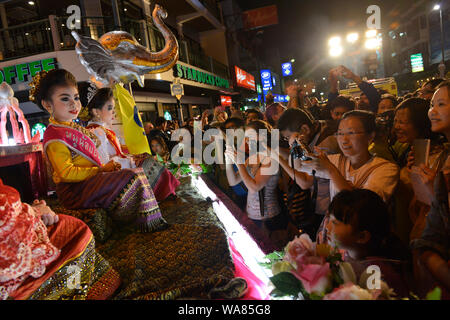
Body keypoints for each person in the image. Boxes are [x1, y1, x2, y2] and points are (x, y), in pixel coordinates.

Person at [32, 69, 167, 233]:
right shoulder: (54, 135)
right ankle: (143, 222)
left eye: (75, 97)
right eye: (65, 99)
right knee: (132, 176)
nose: (74, 104)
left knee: (136, 170)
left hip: (90, 180)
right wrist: (101, 170)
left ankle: (149, 218)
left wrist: (105, 169)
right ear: (48, 105)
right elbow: (66, 173)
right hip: (74, 191)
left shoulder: (73, 127)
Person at [0, 179, 121, 300]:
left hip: (85, 180)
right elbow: (67, 174)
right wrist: (34, 212)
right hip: (73, 187)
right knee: (76, 230)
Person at [84, 88, 180, 202]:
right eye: (110, 108)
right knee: (147, 161)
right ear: (96, 112)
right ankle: (163, 194)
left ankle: (165, 192)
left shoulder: (102, 129)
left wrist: (132, 158)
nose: (113, 112)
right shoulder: (96, 132)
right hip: (113, 173)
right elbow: (104, 165)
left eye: (113, 108)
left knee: (147, 158)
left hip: (120, 165)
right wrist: (132, 161)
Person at [325, 189, 411, 297]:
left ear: (362, 236)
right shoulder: (346, 255)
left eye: (335, 223)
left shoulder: (377, 275)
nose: (327, 228)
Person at [270, 108, 341, 237]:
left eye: (287, 138)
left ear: (304, 130)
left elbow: (304, 180)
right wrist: (274, 149)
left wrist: (279, 158)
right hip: (320, 203)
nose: (289, 144)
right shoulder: (314, 135)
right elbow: (299, 160)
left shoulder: (326, 144)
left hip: (327, 207)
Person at [411, 81, 450, 298]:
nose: (432, 111)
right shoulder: (444, 157)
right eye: (431, 104)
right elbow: (434, 229)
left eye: (441, 104)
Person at [224, 120, 285, 248]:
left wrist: (239, 163)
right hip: (251, 214)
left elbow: (255, 186)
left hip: (268, 218)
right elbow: (233, 181)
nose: (246, 140)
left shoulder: (270, 158)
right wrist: (229, 161)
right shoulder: (252, 158)